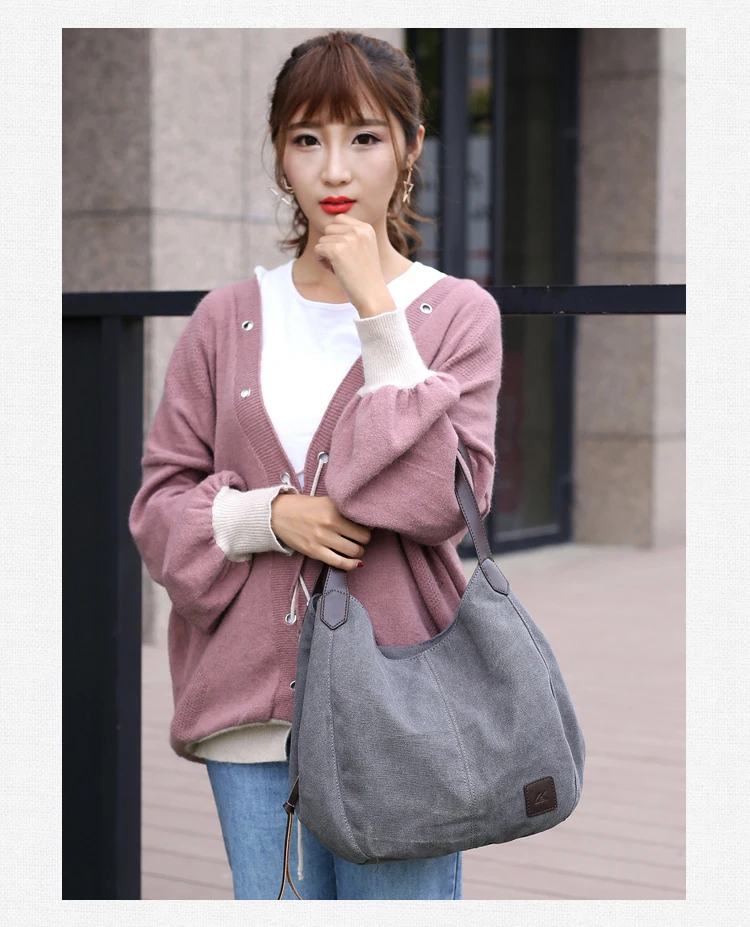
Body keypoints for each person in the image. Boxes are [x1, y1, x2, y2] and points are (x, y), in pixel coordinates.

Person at [129, 30, 503, 901]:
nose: (335, 168)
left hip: (403, 714)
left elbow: (445, 500)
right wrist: (264, 517)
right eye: (307, 138)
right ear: (279, 154)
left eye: (364, 136)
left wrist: (377, 306)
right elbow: (159, 504)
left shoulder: (457, 314)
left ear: (411, 146)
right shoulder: (224, 318)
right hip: (251, 718)